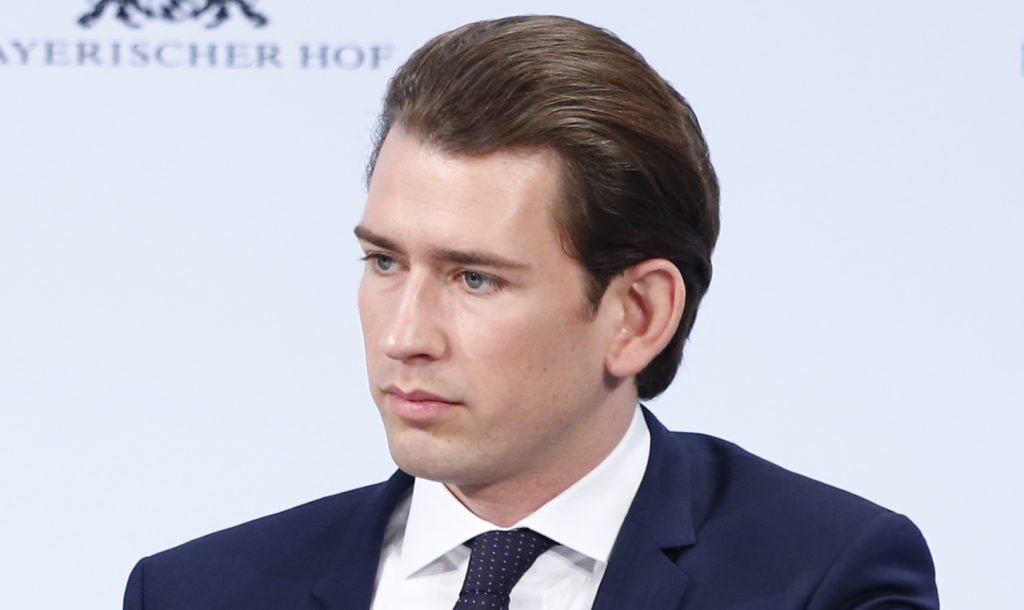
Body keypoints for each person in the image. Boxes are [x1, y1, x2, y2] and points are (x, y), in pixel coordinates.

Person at [123, 15, 939, 610]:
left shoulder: (824, 577)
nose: (403, 336)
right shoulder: (193, 591)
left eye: (475, 278)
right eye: (384, 262)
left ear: (638, 315)